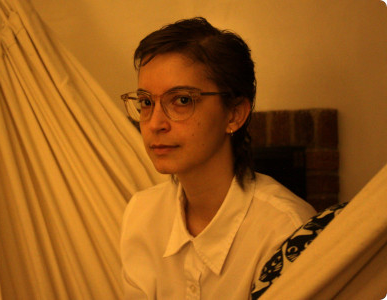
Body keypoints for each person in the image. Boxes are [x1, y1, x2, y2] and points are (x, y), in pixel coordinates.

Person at [119, 17, 316, 299]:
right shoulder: (141, 216)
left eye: (182, 100)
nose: (154, 123)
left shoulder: (286, 231)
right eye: (146, 102)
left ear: (234, 113)